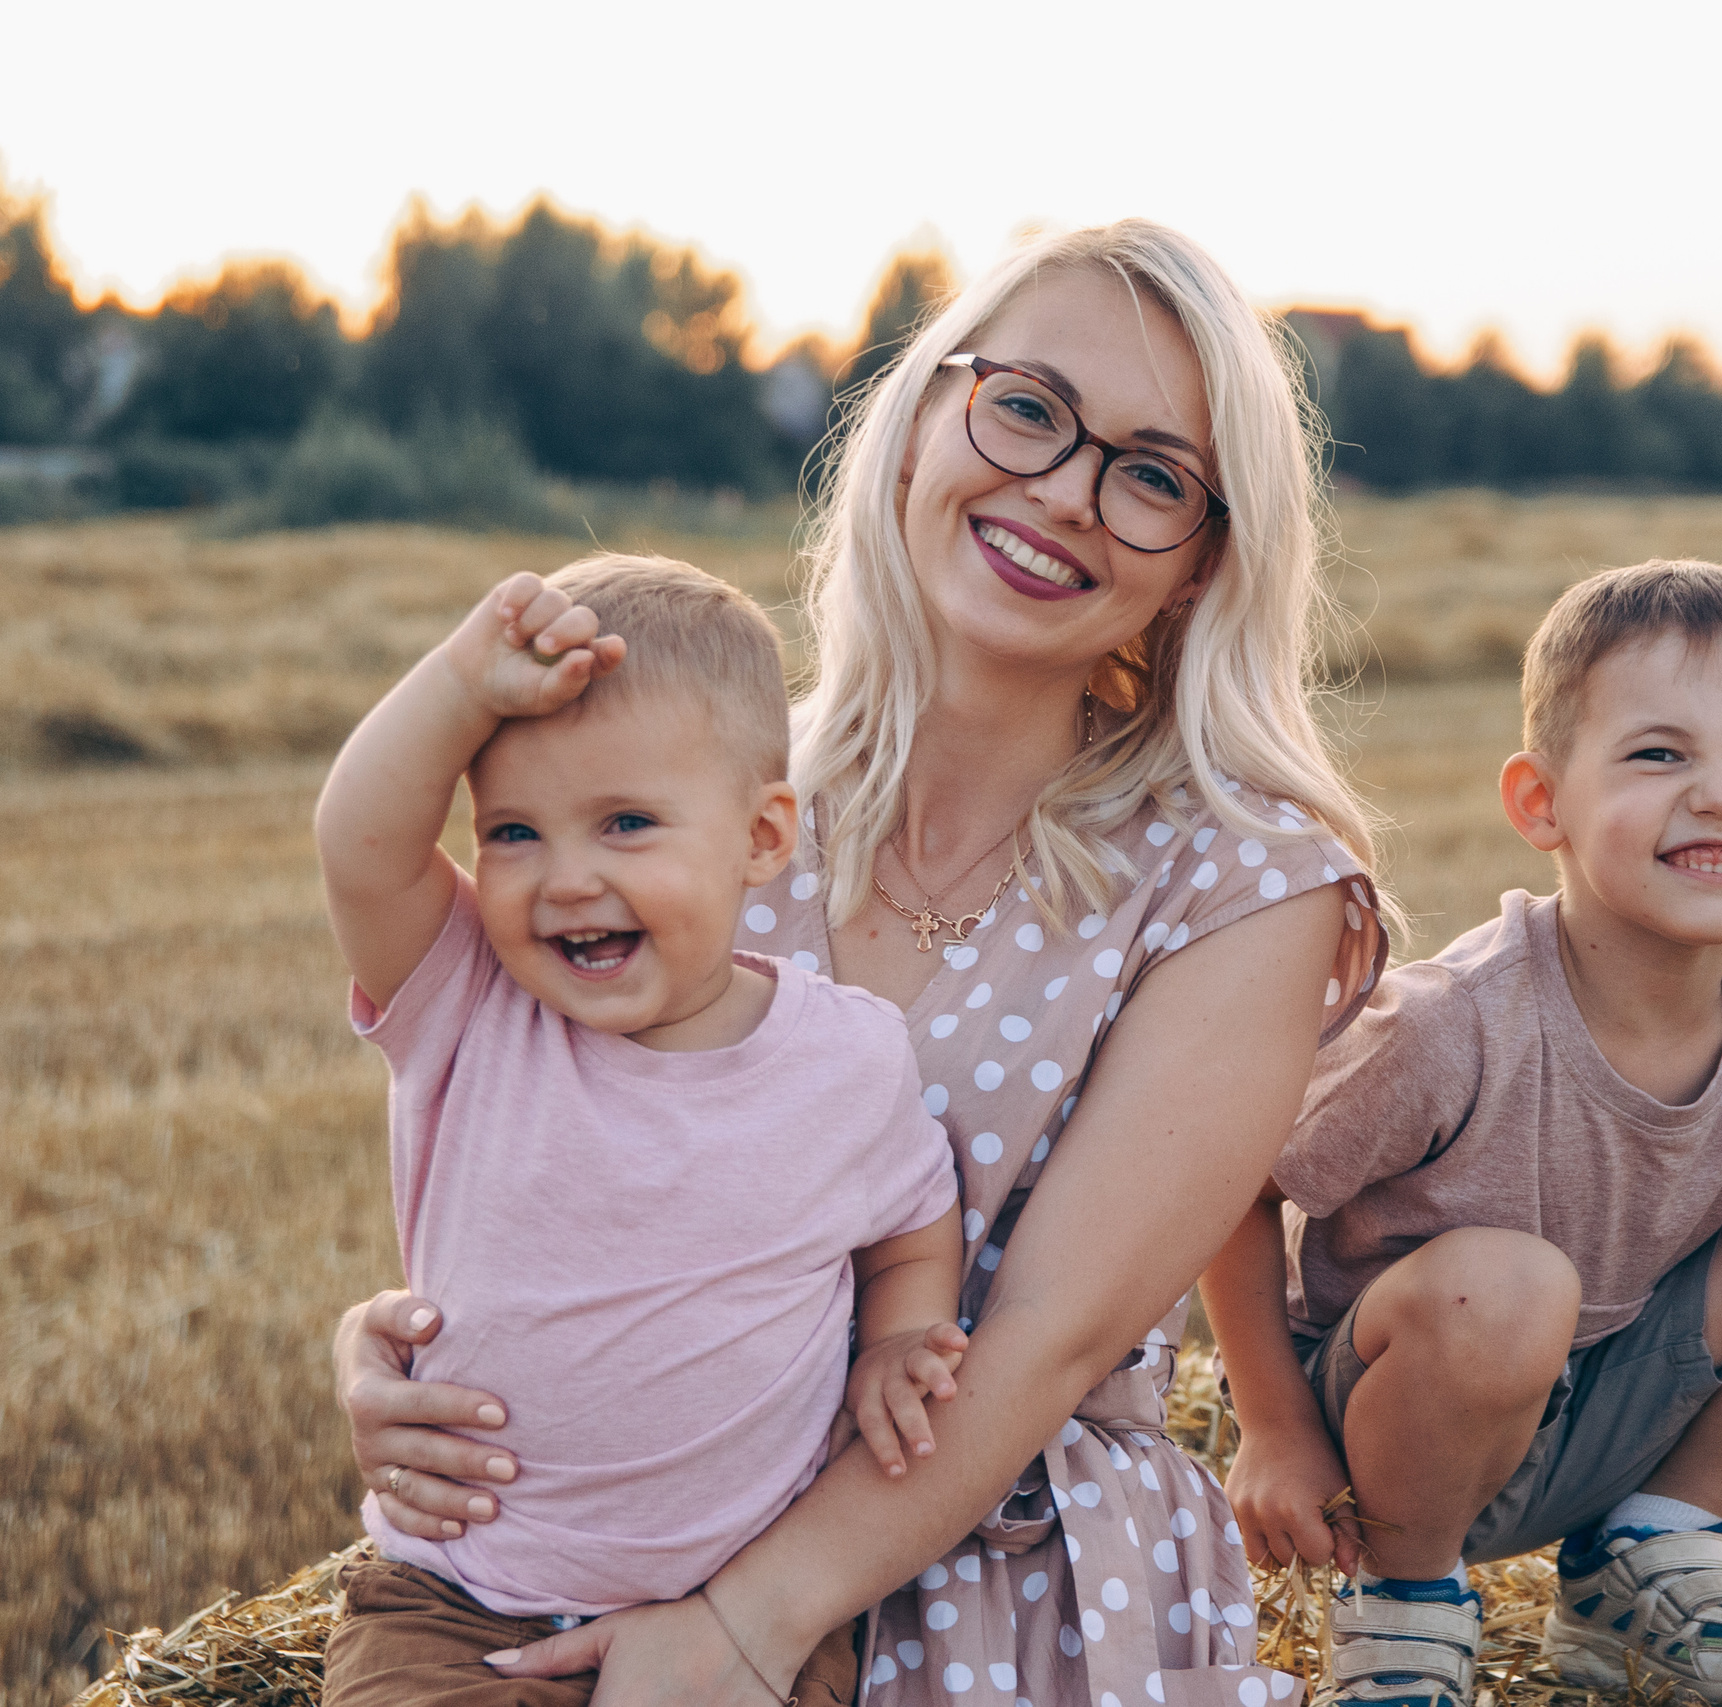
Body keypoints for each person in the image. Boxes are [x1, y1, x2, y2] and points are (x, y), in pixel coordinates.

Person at [331, 220, 1391, 1705]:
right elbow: (530, 1119)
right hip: (610, 1558)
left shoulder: (1244, 879)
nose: (1065, 492)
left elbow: (1043, 1337)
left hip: (1002, 1580)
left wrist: (748, 1628)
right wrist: (401, 1347)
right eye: (1027, 407)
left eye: (1151, 475)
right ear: (919, 423)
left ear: (1205, 562)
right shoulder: (700, 794)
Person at [1199, 561, 1722, 1707]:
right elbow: (1224, 1182)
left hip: (1601, 1414)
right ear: (1538, 804)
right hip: (1385, 1427)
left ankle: (1640, 1556)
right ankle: (1405, 1604)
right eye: (1659, 754)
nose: (1718, 795)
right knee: (1508, 1286)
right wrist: (1269, 1427)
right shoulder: (1451, 1024)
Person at [312, 554, 967, 1706]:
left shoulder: (846, 1057)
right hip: (459, 1604)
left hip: (738, 1605)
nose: (565, 880)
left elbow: (912, 1220)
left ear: (764, 837)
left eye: (624, 823)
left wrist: (899, 1337)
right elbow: (359, 842)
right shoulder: (468, 1002)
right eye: (513, 832)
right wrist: (463, 684)